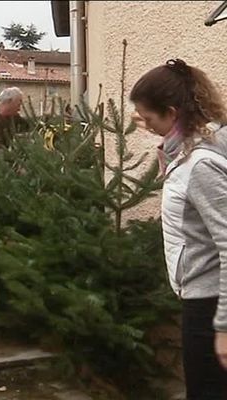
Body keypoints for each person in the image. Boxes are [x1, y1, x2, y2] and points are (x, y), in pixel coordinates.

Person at [130, 59, 227, 399]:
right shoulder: (200, 148)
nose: (147, 126)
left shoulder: (199, 164)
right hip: (206, 297)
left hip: (210, 304)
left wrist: (223, 326)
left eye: (150, 118)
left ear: (172, 113)